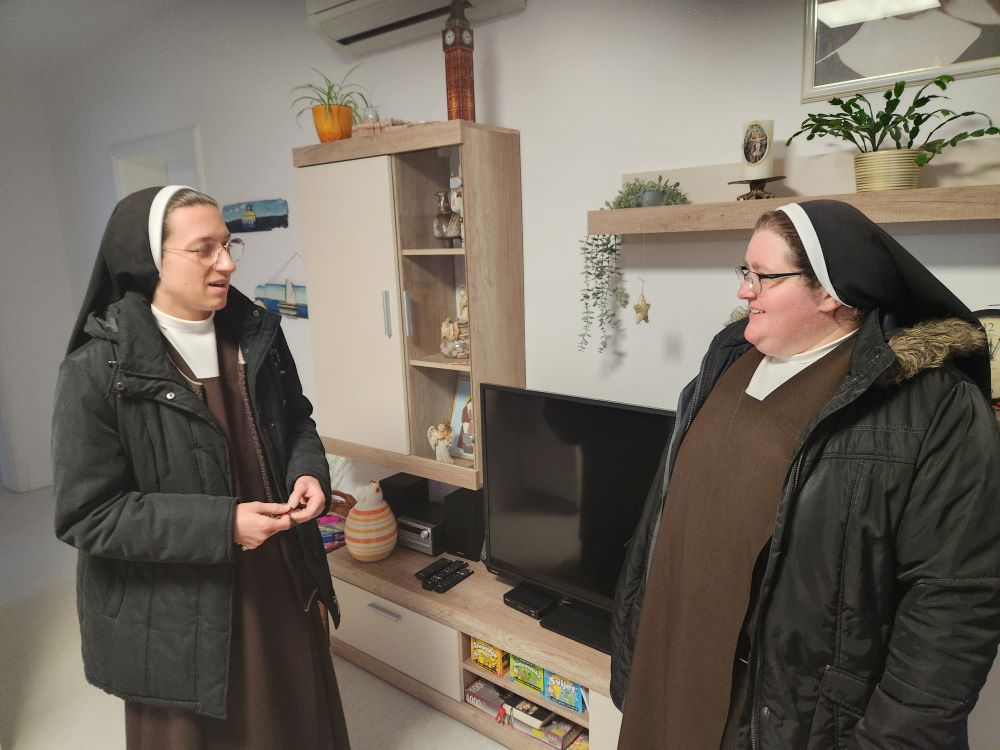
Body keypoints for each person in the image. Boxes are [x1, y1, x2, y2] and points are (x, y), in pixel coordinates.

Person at [611, 199, 1000, 749]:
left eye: (765, 277)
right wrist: (630, 653)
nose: (745, 291)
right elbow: (659, 523)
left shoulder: (935, 410)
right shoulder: (723, 362)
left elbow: (955, 603)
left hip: (789, 721)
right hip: (671, 680)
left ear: (832, 291)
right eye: (744, 272)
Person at [52, 186, 351, 749]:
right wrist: (224, 526)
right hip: (174, 610)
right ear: (149, 259)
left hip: (279, 577)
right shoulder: (96, 370)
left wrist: (307, 472)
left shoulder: (257, 335)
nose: (229, 262)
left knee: (293, 717)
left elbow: (297, 421)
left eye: (229, 244)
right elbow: (87, 515)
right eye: (204, 249)